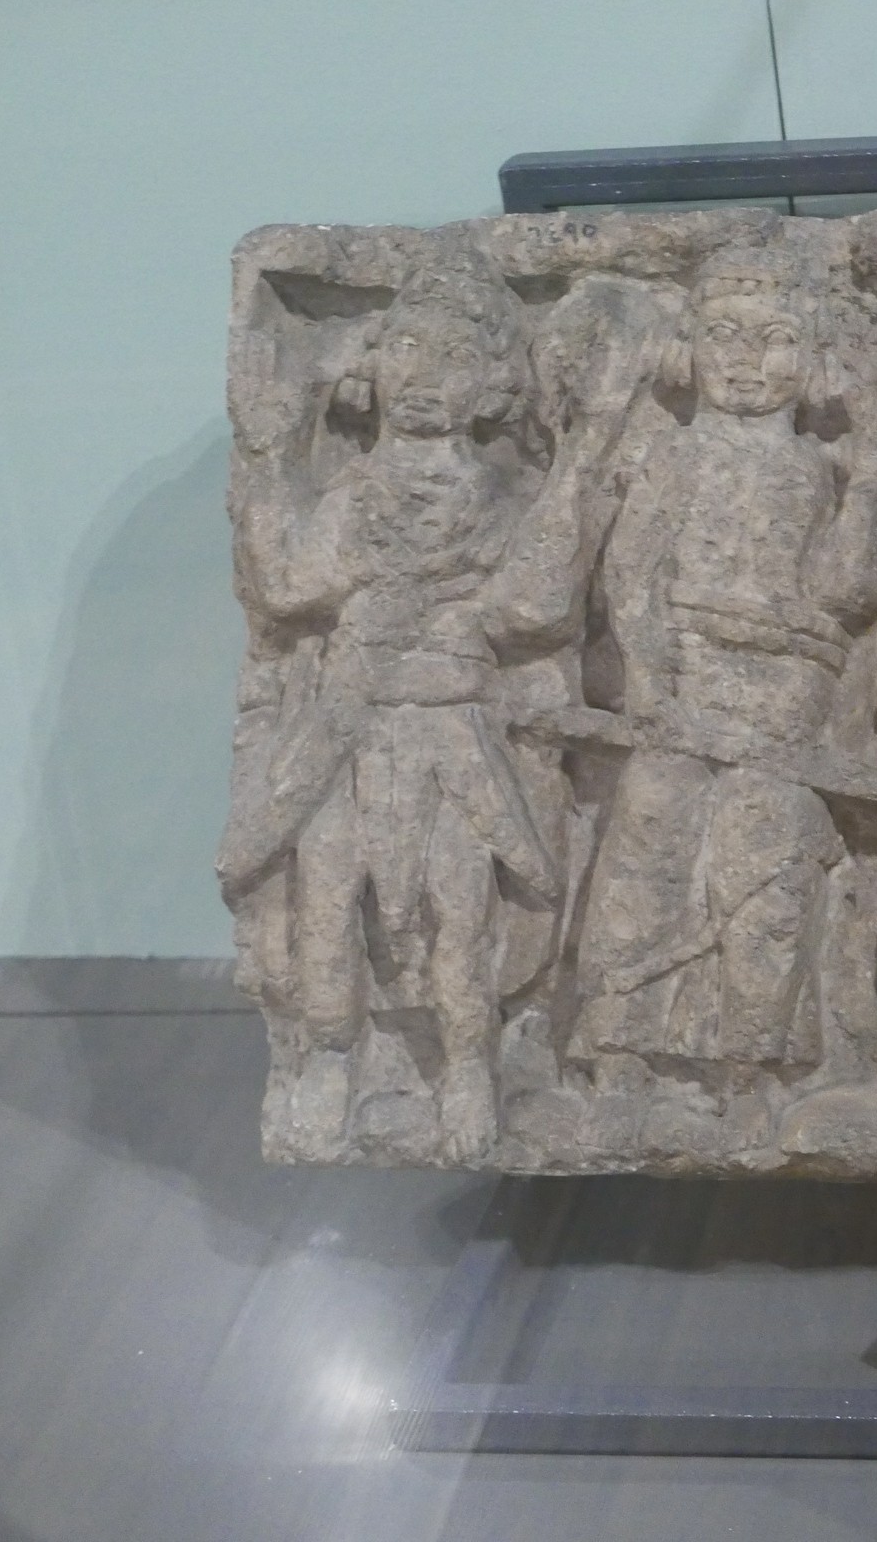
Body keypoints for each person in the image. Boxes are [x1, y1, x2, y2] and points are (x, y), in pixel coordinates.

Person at [220, 247, 626, 1160]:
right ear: (373, 365)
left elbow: (535, 608)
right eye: (406, 347)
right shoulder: (351, 496)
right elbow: (287, 586)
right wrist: (274, 451)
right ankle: (331, 1057)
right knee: (330, 902)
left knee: (460, 911)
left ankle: (470, 1068)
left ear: (491, 387)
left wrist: (582, 457)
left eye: (454, 356)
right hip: (348, 735)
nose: (425, 375)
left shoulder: (501, 500)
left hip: (454, 735)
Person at [571, 244, 877, 1119]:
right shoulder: (675, 455)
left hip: (789, 693)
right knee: (650, 843)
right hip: (687, 675)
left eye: (776, 339)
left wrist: (870, 481)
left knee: (769, 868)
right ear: (688, 350)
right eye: (725, 336)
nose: (749, 361)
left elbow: (850, 594)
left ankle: (750, 1068)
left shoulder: (820, 471)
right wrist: (649, 677)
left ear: (815, 359)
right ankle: (620, 1053)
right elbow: (632, 572)